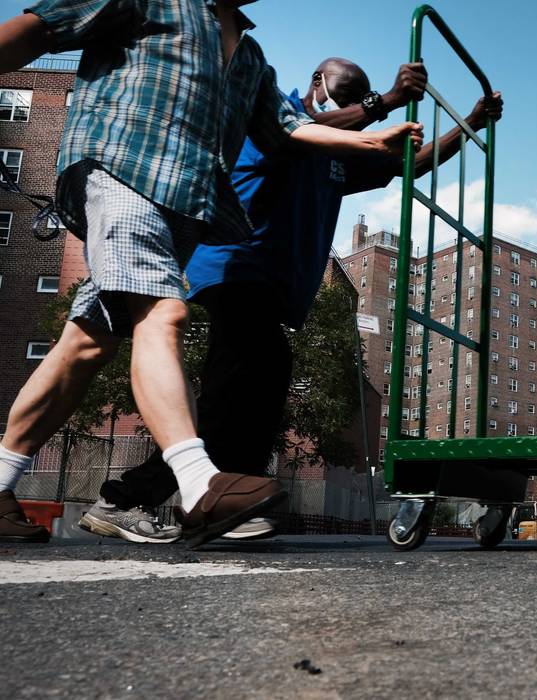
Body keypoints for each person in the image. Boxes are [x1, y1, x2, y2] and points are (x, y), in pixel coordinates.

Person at [0, 0, 424, 548]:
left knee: (86, 344)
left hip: (181, 210)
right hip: (120, 172)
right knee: (164, 313)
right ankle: (200, 485)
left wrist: (371, 138)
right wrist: (381, 107)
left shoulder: (248, 58)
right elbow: (37, 30)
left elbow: (289, 129)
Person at [81, 55, 503, 542]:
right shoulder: (281, 117)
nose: (352, 109)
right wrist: (384, 101)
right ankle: (128, 498)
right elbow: (298, 131)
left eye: (356, 102)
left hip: (274, 282)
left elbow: (411, 163)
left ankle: (227, 499)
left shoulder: (341, 150)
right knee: (240, 380)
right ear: (317, 83)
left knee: (255, 385)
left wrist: (470, 123)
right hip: (234, 264)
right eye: (343, 98)